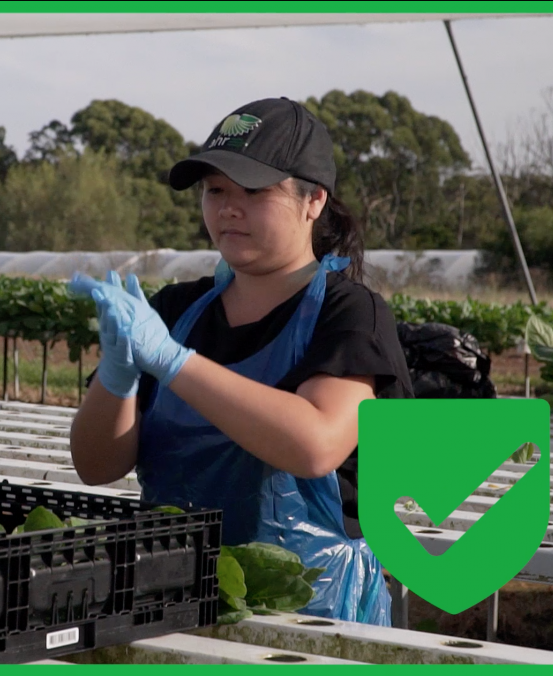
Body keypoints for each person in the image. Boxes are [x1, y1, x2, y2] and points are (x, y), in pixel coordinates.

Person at [67, 97, 414, 627]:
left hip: (309, 615)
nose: (228, 208)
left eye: (253, 191)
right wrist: (117, 376)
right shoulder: (175, 310)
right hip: (171, 598)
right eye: (215, 191)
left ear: (313, 200)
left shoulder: (349, 312)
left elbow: (315, 444)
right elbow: (96, 466)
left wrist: (173, 362)